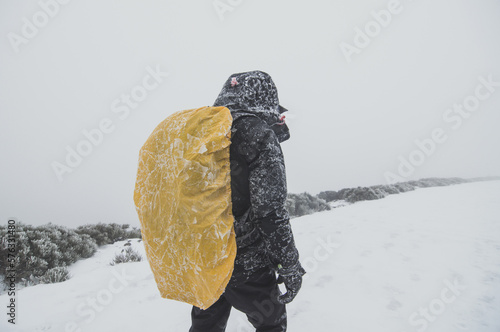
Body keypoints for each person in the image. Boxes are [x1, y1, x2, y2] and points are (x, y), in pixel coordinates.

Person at [189, 71, 305, 332]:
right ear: (263, 99)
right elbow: (269, 211)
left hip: (206, 257)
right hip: (246, 262)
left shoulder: (202, 131)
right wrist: (289, 264)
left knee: (205, 327)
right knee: (271, 324)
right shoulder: (258, 135)